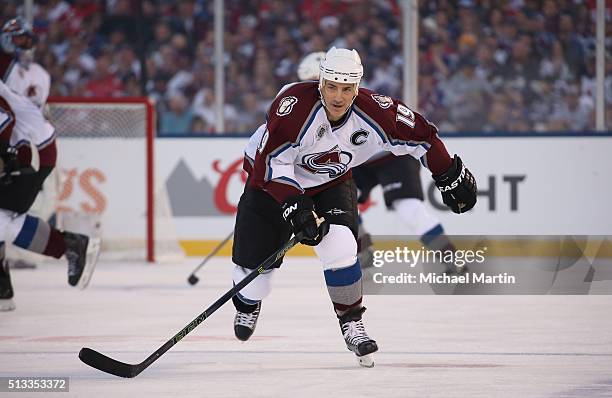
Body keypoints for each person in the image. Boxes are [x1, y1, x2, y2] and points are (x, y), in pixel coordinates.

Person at [234, 47, 477, 366]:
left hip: (331, 182)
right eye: (331, 86)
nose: (338, 96)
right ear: (319, 83)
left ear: (357, 86)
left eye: (347, 88)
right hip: (273, 184)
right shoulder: (292, 107)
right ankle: (247, 305)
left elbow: (423, 135)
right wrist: (296, 206)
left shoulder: (377, 110)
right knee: (254, 281)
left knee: (342, 247)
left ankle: (352, 323)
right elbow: (269, 167)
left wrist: (448, 173)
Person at [296, 52, 464, 273]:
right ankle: (363, 254)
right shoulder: (315, 110)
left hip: (393, 157)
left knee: (408, 208)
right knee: (338, 202)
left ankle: (450, 257)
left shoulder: (354, 100)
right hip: (358, 161)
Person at [0, 17, 101, 312]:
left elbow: (5, 120)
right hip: (28, 145)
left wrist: (6, 155)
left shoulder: (23, 71)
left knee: (2, 220)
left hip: (28, 149)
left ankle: (70, 245)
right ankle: (4, 288)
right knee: (3, 219)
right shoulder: (8, 68)